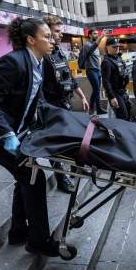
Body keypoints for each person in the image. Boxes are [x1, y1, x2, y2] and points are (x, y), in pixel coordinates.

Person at [0, 17, 75, 256]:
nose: (52, 40)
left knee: (25, 176)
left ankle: (18, 231)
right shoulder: (12, 62)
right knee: (33, 176)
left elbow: (35, 99)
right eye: (46, 36)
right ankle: (38, 241)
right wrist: (7, 135)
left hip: (15, 128)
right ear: (31, 40)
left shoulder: (40, 62)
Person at [41, 14, 89, 193]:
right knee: (56, 144)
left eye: (61, 31)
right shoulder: (43, 57)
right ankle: (61, 177)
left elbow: (71, 78)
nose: (61, 34)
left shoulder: (59, 52)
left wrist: (82, 96)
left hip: (65, 104)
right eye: (57, 31)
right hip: (51, 107)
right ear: (46, 32)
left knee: (73, 137)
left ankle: (75, 168)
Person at [101, 37, 132, 120]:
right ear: (107, 47)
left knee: (128, 113)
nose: (117, 48)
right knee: (123, 116)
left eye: (117, 46)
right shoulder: (106, 62)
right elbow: (105, 81)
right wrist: (111, 97)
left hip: (122, 91)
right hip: (115, 93)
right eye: (114, 47)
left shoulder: (119, 58)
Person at [80, 29, 107, 115]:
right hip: (91, 70)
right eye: (95, 34)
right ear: (90, 35)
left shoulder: (97, 46)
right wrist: (101, 37)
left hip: (97, 70)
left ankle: (98, 109)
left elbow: (97, 58)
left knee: (97, 90)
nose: (96, 35)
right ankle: (91, 108)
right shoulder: (87, 45)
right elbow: (92, 48)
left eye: (97, 34)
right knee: (96, 89)